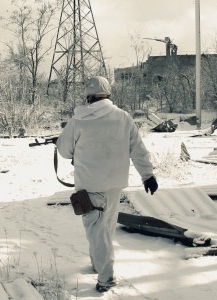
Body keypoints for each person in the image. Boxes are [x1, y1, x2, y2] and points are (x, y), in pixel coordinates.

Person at [56, 76, 158, 293]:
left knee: (96, 231)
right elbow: (138, 149)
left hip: (90, 186)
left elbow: (64, 151)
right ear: (108, 94)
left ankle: (106, 278)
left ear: (88, 96)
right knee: (105, 229)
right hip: (115, 183)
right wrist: (147, 175)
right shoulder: (123, 117)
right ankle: (98, 263)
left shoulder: (78, 120)